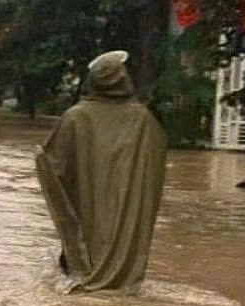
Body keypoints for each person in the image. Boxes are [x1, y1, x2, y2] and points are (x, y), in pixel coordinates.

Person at [35, 50, 167, 293]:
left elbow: (53, 166)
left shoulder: (75, 117)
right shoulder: (142, 119)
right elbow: (155, 161)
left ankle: (83, 277)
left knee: (82, 248)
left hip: (87, 205)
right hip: (126, 209)